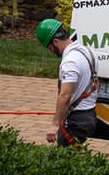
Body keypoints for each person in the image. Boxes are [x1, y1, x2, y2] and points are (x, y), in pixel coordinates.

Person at [35, 19, 98, 148]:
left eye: (50, 48)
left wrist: (54, 124)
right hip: (89, 115)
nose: (51, 52)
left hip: (76, 121)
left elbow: (65, 95)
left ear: (55, 42)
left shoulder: (70, 62)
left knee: (64, 161)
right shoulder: (87, 51)